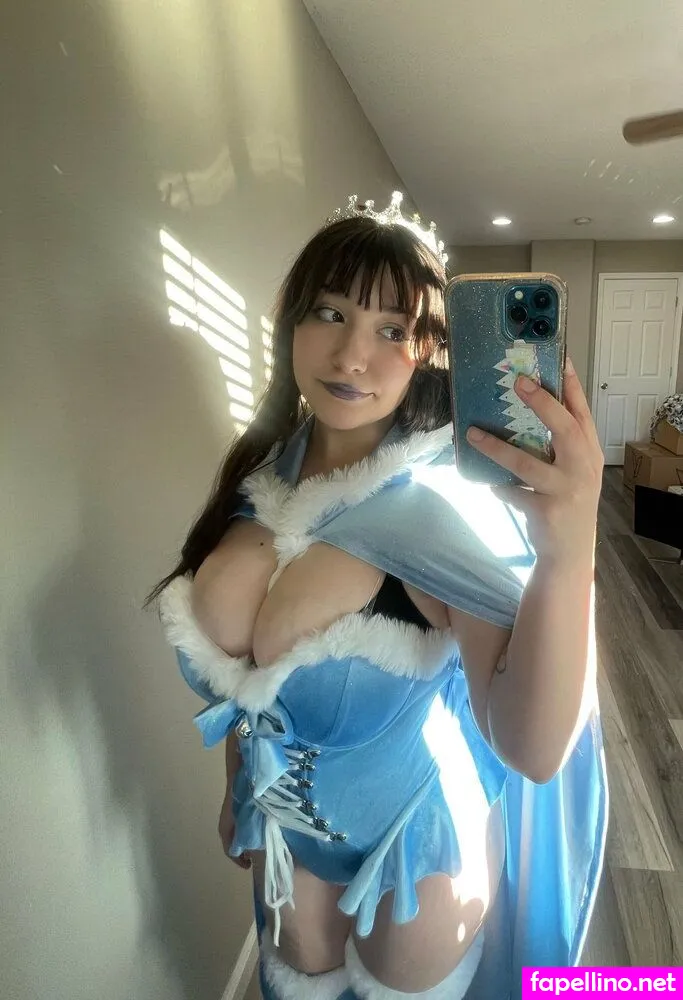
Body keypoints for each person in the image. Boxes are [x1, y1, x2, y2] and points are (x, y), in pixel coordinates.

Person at [147, 193, 608, 1000]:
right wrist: (235, 785)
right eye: (329, 313)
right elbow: (248, 688)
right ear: (291, 321)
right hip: (287, 841)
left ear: (427, 350)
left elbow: (533, 751)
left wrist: (567, 553)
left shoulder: (439, 512)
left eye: (392, 330)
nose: (351, 356)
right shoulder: (258, 483)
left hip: (418, 852)